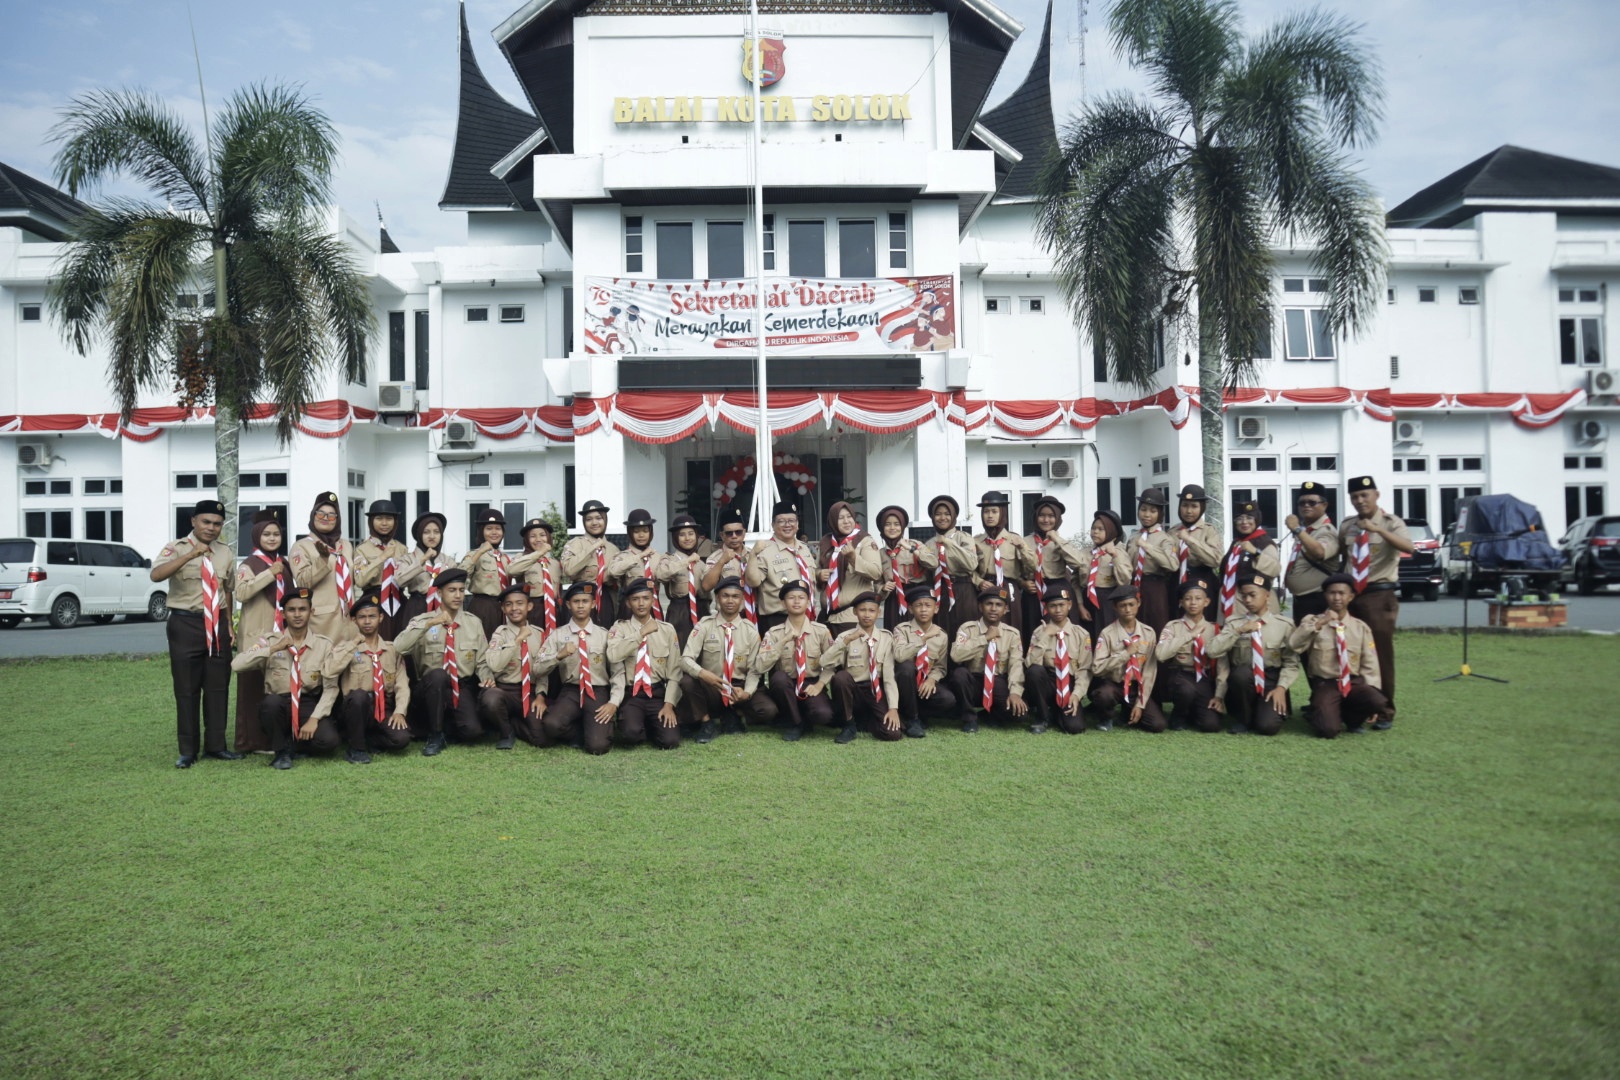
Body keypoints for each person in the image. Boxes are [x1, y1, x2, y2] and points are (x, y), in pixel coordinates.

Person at [150, 498, 239, 768]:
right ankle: (188, 750)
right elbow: (156, 575)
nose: (212, 528)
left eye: (217, 524)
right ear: (193, 521)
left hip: (217, 626)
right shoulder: (174, 548)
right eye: (206, 522)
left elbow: (227, 590)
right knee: (186, 689)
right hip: (185, 624)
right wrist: (190, 555)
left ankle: (216, 746)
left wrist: (229, 624)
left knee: (217, 687)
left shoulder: (225, 552)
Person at [230, 587, 340, 770]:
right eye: (291, 610)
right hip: (278, 703)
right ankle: (281, 752)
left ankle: (294, 744)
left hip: (307, 702)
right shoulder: (270, 640)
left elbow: (331, 688)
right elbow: (237, 664)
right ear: (283, 614)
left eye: (302, 609)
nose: (297, 615)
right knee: (270, 704)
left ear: (310, 612)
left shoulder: (323, 645)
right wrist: (273, 649)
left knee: (329, 741)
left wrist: (314, 719)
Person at [1287, 572, 1393, 738]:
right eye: (1332, 593)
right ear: (1325, 596)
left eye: (1342, 593)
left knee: (1377, 701)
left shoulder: (1360, 627)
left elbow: (1370, 664)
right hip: (1326, 683)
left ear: (1350, 597)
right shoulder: (1312, 621)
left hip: (1353, 683)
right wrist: (1321, 622)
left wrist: (1372, 695)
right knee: (1327, 730)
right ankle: (1323, 712)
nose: (1337, 598)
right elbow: (1295, 644)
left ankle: (1351, 719)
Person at [1339, 475, 1412, 718]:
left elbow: (1409, 547)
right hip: (1351, 597)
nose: (1360, 501)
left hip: (1378, 595)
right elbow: (1343, 558)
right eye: (1355, 497)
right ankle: (1358, 706)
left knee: (1380, 654)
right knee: (1349, 652)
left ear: (1376, 495)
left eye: (1364, 495)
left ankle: (1385, 709)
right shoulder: (1348, 525)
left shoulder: (1392, 523)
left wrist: (1378, 529)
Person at [395, 568, 487, 756]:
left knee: (472, 732)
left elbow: (482, 660)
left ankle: (445, 726)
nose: (458, 595)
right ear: (439, 593)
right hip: (429, 688)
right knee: (438, 675)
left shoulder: (473, 622)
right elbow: (399, 647)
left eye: (461, 590)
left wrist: (487, 678)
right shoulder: (422, 620)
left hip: (460, 687)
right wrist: (430, 623)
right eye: (452, 590)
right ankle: (436, 735)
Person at [680, 576, 778, 742]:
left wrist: (746, 693)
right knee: (687, 682)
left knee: (768, 710)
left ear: (741, 600)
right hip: (713, 684)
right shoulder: (704, 625)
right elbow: (685, 659)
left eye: (735, 596)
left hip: (738, 686)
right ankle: (706, 722)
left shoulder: (750, 631)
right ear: (717, 598)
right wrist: (703, 674)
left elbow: (754, 670)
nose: (730, 600)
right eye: (725, 595)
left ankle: (733, 713)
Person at [1209, 572, 1299, 736]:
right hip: (1244, 681)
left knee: (1267, 727)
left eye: (1252, 595)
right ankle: (1243, 719)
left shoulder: (1284, 625)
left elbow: (1291, 663)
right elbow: (1213, 650)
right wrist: (1239, 630)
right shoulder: (1234, 623)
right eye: (1244, 596)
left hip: (1271, 680)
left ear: (1267, 595)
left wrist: (1281, 687)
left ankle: (1266, 711)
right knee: (1241, 674)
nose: (1247, 600)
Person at [533, 581, 618, 753]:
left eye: (585, 601)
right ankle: (580, 732)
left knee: (598, 747)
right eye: (576, 601)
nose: (580, 605)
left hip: (597, 690)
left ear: (593, 604)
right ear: (568, 605)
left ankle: (598, 731)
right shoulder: (557, 635)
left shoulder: (604, 635)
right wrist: (558, 655)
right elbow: (537, 669)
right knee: (551, 725)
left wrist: (613, 702)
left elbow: (618, 672)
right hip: (571, 690)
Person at [232, 509, 291, 753]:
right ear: (257, 536)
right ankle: (250, 740)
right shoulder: (250, 564)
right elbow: (241, 593)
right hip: (256, 633)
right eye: (266, 534)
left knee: (276, 684)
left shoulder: (283, 562)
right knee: (252, 685)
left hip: (279, 633)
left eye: (276, 534)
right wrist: (269, 574)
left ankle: (273, 738)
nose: (272, 538)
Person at [807, 592, 902, 743]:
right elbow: (824, 663)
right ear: (854, 612)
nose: (867, 614)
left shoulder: (886, 638)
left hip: (875, 691)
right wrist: (846, 641)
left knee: (892, 734)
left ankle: (867, 721)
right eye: (862, 610)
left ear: (879, 612)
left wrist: (893, 708)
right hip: (852, 691)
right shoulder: (845, 637)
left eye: (871, 610)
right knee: (841, 677)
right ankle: (848, 724)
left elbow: (889, 678)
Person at [332, 590, 412, 762]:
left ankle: (367, 739)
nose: (367, 621)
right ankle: (356, 750)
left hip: (384, 706)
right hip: (355, 708)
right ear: (354, 620)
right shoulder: (346, 648)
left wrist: (400, 711)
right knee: (359, 696)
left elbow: (402, 684)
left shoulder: (391, 650)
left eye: (372, 616)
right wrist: (353, 644)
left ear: (380, 618)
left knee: (401, 739)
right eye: (362, 617)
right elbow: (329, 671)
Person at [605, 579, 684, 750]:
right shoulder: (619, 629)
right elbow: (613, 655)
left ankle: (652, 723)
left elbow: (675, 672)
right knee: (630, 735)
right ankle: (639, 723)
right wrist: (641, 633)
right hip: (632, 693)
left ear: (653, 601)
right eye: (635, 599)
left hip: (657, 693)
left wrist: (669, 704)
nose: (641, 603)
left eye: (645, 598)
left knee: (670, 742)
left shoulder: (667, 630)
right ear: (628, 603)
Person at [754, 580, 836, 741]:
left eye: (801, 597)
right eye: (791, 597)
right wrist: (783, 641)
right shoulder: (774, 633)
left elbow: (832, 664)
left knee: (823, 715)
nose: (796, 601)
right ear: (783, 603)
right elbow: (760, 666)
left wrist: (820, 685)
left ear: (808, 602)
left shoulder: (821, 631)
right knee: (778, 678)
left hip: (810, 683)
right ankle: (796, 723)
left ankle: (802, 716)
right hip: (786, 687)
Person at [479, 584, 550, 750]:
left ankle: (514, 723)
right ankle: (506, 732)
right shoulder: (500, 633)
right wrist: (517, 640)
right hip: (505, 690)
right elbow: (495, 665)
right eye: (509, 604)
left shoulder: (540, 634)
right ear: (503, 608)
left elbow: (543, 669)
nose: (514, 608)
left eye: (519, 603)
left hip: (529, 691)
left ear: (529, 606)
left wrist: (540, 695)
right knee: (491, 699)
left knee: (541, 739)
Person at [947, 585, 1027, 732]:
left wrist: (1015, 693)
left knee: (1019, 715)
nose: (993, 608)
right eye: (989, 604)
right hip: (973, 681)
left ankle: (988, 715)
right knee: (959, 675)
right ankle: (969, 719)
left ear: (1006, 609)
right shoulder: (967, 629)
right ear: (980, 607)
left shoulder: (1012, 634)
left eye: (999, 605)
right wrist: (985, 638)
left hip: (997, 681)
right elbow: (956, 656)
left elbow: (1016, 665)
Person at [1087, 585, 1164, 732]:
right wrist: (1125, 654)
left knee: (1157, 725)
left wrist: (1140, 704)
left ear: (1138, 604)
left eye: (1131, 604)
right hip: (1114, 684)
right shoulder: (1107, 633)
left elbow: (1149, 671)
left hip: (1136, 686)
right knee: (1104, 695)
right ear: (1115, 607)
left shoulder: (1148, 633)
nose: (1127, 609)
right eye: (1122, 606)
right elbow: (1097, 668)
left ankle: (1127, 712)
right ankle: (1106, 716)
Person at [1153, 576, 1222, 733]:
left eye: (1198, 598)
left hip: (1204, 678)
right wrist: (1189, 636)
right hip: (1180, 675)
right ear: (1181, 602)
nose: (1193, 603)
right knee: (1186, 691)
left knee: (1210, 725)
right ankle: (1179, 715)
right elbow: (1161, 654)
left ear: (1207, 602)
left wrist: (1219, 694)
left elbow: (1222, 663)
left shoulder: (1214, 629)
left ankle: (1194, 712)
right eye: (1188, 599)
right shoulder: (1173, 626)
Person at [1023, 582, 1093, 735]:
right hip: (1047, 681)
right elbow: (1029, 663)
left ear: (1070, 605)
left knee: (1075, 727)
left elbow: (1084, 670)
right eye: (1053, 606)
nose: (1058, 610)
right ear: (1046, 608)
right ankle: (1042, 716)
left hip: (1070, 683)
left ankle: (1057, 712)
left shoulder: (1081, 634)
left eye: (1062, 605)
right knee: (1035, 672)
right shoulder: (1039, 632)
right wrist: (1045, 635)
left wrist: (1077, 694)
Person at [889, 582, 957, 738]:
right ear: (911, 609)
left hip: (924, 684)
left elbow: (940, 667)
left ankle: (919, 714)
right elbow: (899, 655)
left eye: (928, 605)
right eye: (919, 605)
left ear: (936, 608)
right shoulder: (902, 629)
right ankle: (912, 719)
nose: (924, 609)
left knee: (948, 700)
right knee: (906, 667)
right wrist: (923, 639)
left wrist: (932, 680)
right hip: (904, 684)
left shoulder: (941, 635)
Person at [289, 491, 357, 642]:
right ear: (313, 515)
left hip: (349, 620)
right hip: (322, 622)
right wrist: (323, 560)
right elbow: (302, 583)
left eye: (332, 515)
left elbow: (352, 579)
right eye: (321, 514)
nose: (326, 519)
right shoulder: (301, 546)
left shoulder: (345, 545)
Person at [745, 500, 817, 636]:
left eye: (791, 520)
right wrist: (753, 554)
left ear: (797, 524)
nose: (787, 525)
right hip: (777, 620)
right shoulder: (765, 550)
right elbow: (753, 581)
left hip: (806, 617)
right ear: (773, 525)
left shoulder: (804, 549)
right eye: (782, 521)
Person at [971, 491, 1035, 644]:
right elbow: (969, 570)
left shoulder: (1015, 539)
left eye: (994, 511)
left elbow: (1033, 566)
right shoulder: (976, 541)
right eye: (986, 511)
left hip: (1009, 589)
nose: (990, 516)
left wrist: (1022, 548)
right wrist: (979, 581)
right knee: (985, 628)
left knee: (1011, 627)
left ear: (1003, 513)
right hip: (985, 589)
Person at [1023, 496, 1086, 646]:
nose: (1046, 520)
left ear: (1057, 519)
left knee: (1060, 631)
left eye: (1051, 516)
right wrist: (1023, 583)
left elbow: (1078, 563)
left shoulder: (1062, 542)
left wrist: (1057, 540)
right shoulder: (1025, 542)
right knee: (1034, 630)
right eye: (1042, 515)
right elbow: (1016, 571)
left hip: (1057, 591)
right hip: (1033, 593)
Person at [817, 500, 883, 634]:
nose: (846, 521)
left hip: (850, 617)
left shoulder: (864, 541)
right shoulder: (826, 542)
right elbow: (815, 569)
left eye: (849, 517)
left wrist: (853, 558)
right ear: (833, 521)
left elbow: (876, 573)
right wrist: (819, 574)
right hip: (827, 618)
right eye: (840, 518)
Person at [351, 499, 410, 639]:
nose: (384, 523)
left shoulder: (401, 549)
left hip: (398, 600)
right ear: (371, 521)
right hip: (374, 602)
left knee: (400, 641)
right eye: (379, 518)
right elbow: (359, 580)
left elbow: (407, 579)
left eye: (389, 519)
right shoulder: (362, 549)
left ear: (395, 522)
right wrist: (381, 558)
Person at [1215, 499, 1281, 622]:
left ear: (1257, 519)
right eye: (1239, 518)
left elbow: (1275, 569)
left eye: (1249, 517)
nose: (1244, 522)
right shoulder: (1236, 542)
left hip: (1253, 606)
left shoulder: (1265, 542)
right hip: (1230, 602)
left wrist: (1255, 552)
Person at [1283, 481, 1340, 622]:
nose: (1306, 506)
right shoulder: (1307, 531)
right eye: (1302, 503)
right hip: (1302, 600)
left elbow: (1320, 552)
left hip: (1318, 599)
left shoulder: (1326, 531)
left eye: (1312, 502)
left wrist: (1297, 529)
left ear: (1324, 505)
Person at [925, 494, 980, 641]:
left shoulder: (964, 538)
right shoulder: (929, 544)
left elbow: (971, 564)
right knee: (942, 632)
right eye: (938, 514)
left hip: (963, 590)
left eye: (947, 514)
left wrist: (949, 543)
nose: (942, 518)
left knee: (965, 632)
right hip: (940, 591)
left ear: (954, 516)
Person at [561, 499, 622, 629]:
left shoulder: (613, 549)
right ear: (584, 522)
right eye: (589, 519)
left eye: (599, 518)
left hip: (606, 599)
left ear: (605, 520)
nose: (594, 523)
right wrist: (592, 547)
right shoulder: (575, 544)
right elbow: (569, 570)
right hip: (580, 598)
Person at [874, 505, 937, 631]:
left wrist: (912, 550)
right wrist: (883, 588)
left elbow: (933, 563)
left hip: (916, 596)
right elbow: (877, 582)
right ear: (882, 528)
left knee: (918, 633)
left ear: (902, 526)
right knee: (894, 632)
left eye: (897, 524)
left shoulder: (915, 544)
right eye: (888, 524)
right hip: (893, 598)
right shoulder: (880, 554)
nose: (892, 528)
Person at [1124, 487, 1178, 633]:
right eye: (1143, 509)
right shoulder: (1134, 537)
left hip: (1155, 588)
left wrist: (1148, 547)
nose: (1147, 515)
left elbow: (1172, 565)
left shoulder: (1165, 539)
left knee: (1156, 626)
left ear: (1160, 514)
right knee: (1133, 627)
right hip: (1134, 587)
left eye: (1153, 511)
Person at [657, 513, 710, 646]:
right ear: (675, 538)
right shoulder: (669, 560)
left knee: (703, 651)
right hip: (679, 612)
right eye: (682, 535)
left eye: (691, 534)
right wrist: (686, 561)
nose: (687, 538)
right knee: (679, 649)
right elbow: (661, 575)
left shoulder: (702, 564)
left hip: (702, 609)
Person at [459, 507, 513, 638]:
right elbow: (460, 574)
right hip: (483, 607)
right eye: (489, 529)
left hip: (504, 608)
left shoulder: (506, 558)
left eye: (498, 528)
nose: (494, 532)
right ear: (481, 531)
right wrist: (480, 552)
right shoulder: (474, 554)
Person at [507, 518, 562, 641]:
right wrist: (539, 553)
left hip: (553, 611)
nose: (538, 539)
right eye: (532, 536)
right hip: (532, 610)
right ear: (526, 539)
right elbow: (511, 570)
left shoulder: (554, 563)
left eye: (542, 535)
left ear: (548, 538)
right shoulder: (521, 558)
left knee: (553, 644)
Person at [397, 511, 457, 624]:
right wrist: (422, 560)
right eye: (426, 532)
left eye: (436, 532)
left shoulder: (448, 561)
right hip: (417, 607)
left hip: (443, 607)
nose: (432, 536)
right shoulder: (408, 559)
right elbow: (399, 581)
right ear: (419, 535)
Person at [1078, 509, 1127, 640]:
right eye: (1093, 528)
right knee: (1088, 637)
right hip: (1087, 599)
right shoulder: (1084, 553)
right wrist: (1080, 605)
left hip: (1108, 600)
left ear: (1111, 532)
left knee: (1106, 637)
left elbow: (1125, 581)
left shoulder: (1119, 553)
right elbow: (1075, 582)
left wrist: (1115, 556)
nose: (1095, 532)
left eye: (1101, 529)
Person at [609, 508, 665, 621]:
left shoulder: (658, 557)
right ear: (630, 533)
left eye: (645, 531)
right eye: (636, 531)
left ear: (651, 532)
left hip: (654, 608)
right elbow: (613, 572)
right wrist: (640, 556)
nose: (641, 535)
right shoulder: (623, 556)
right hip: (630, 609)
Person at [702, 507, 755, 625]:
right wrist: (721, 562)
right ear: (722, 535)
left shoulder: (754, 555)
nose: (734, 536)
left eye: (738, 532)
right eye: (729, 533)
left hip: (754, 614)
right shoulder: (715, 558)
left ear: (744, 532)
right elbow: (706, 586)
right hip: (728, 617)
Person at [1170, 484, 1223, 585]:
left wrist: (1189, 540)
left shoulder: (1209, 531)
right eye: (1185, 505)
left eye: (1194, 506)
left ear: (1202, 508)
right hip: (1175, 583)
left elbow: (1216, 560)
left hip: (1201, 583)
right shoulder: (1172, 531)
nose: (1189, 511)